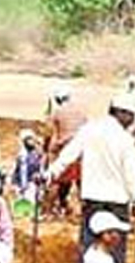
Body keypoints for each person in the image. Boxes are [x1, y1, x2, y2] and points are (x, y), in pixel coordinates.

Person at [45, 93, 135, 263]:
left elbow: (69, 154)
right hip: (117, 200)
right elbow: (131, 174)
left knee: (89, 244)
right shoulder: (125, 140)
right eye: (131, 116)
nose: (132, 121)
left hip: (92, 197)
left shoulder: (90, 130)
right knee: (116, 247)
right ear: (121, 113)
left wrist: (50, 173)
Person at [43, 84, 87, 219]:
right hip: (81, 150)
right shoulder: (81, 112)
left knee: (55, 180)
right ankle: (84, 210)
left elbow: (49, 133)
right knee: (80, 183)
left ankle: (48, 211)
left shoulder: (56, 112)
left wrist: (47, 149)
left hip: (63, 149)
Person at [11, 129, 43, 209]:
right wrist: (23, 186)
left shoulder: (35, 153)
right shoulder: (23, 155)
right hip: (22, 182)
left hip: (32, 181)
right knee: (24, 202)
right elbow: (23, 171)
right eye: (28, 139)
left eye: (32, 139)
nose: (31, 141)